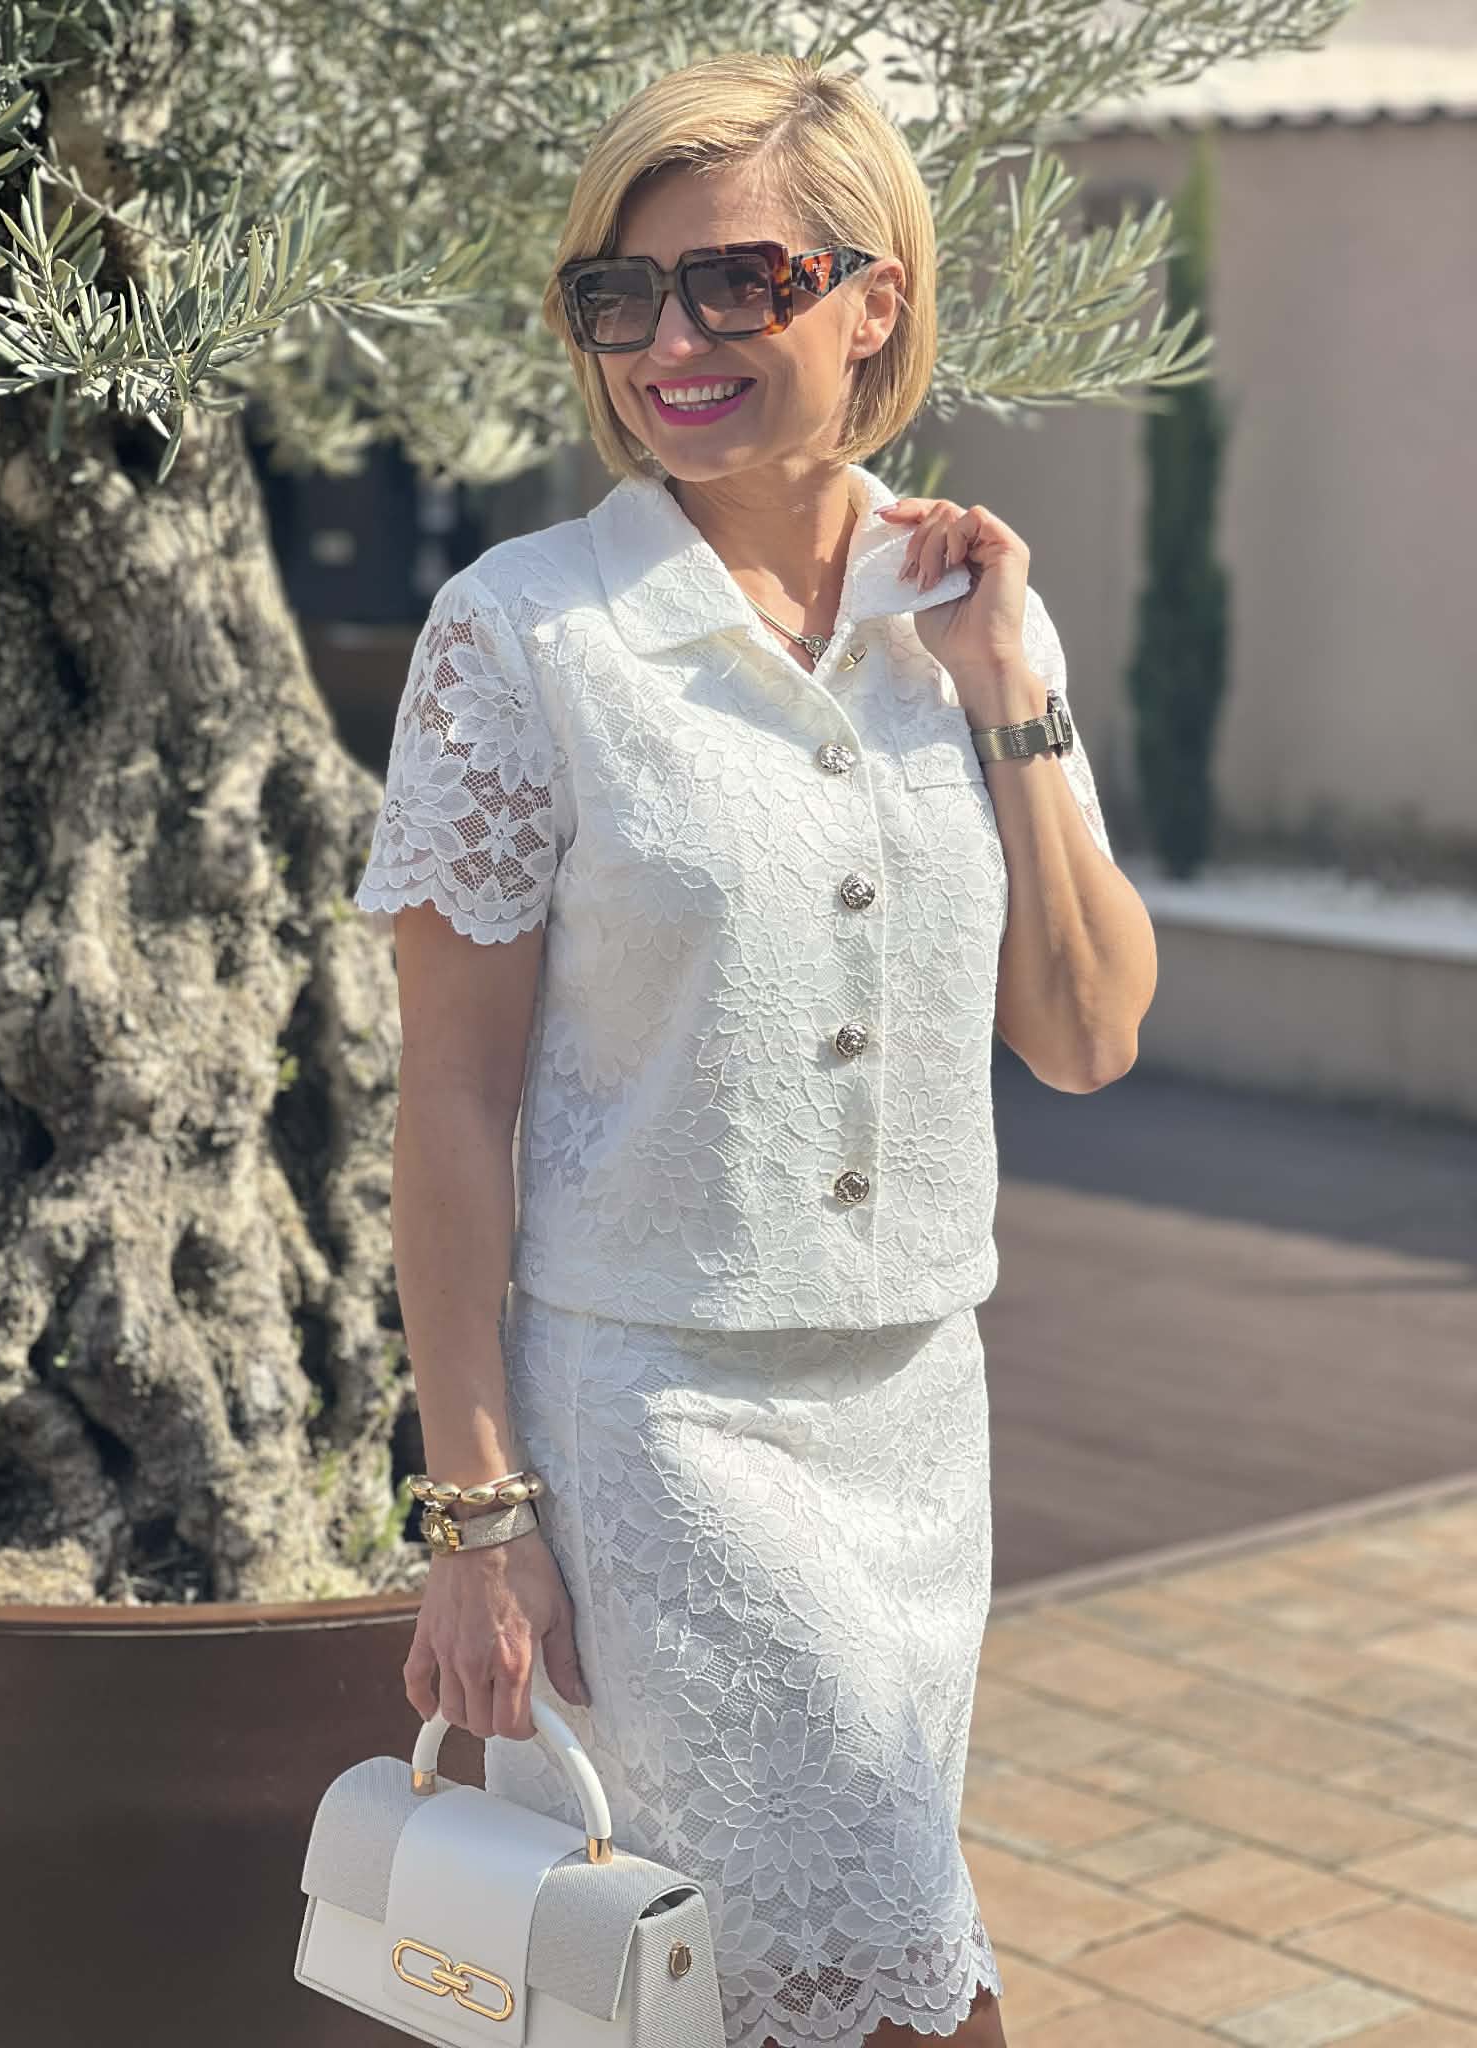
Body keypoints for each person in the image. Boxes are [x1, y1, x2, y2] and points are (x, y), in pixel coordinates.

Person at [354, 48, 1158, 2048]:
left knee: (717, 2000)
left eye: (738, 283)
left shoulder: (970, 613)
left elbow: (1085, 1034)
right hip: (656, 1433)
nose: (670, 344)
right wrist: (477, 1519)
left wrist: (1006, 692)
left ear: (873, 299)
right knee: (904, 1994)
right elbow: (448, 1099)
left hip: (921, 1419)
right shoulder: (522, 634)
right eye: (619, 296)